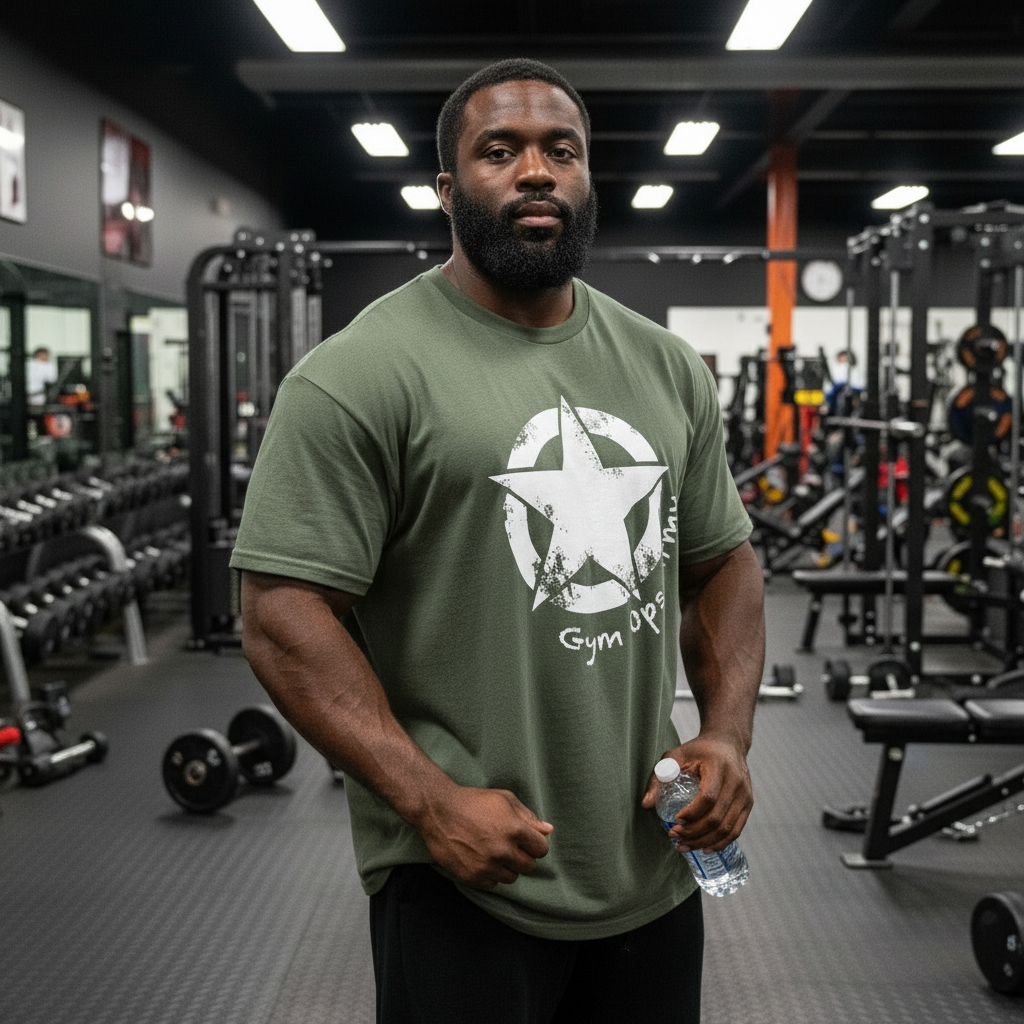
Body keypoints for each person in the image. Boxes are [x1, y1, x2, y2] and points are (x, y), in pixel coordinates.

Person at [231, 58, 765, 1024]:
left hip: (649, 859)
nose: (536, 172)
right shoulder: (357, 374)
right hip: (463, 869)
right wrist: (430, 801)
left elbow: (724, 560)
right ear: (447, 189)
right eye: (499, 151)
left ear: (587, 179)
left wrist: (725, 732)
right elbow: (279, 611)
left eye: (562, 151)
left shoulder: (666, 366)